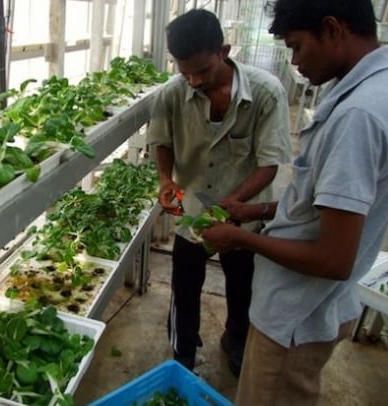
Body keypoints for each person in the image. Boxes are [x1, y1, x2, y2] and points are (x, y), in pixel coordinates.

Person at [200, 0, 388, 404]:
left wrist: (241, 239)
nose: (294, 61)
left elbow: (333, 258)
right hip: (310, 309)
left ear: (332, 29)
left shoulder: (358, 117)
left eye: (297, 46)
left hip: (295, 315)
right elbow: (323, 208)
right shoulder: (379, 95)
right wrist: (256, 211)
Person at [147, 9, 291, 375]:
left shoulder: (265, 93)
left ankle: (236, 339)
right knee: (184, 283)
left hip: (243, 214)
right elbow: (161, 142)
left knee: (242, 287)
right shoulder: (170, 94)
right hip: (191, 207)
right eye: (185, 72)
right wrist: (166, 180)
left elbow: (269, 163)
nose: (193, 81)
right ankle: (183, 347)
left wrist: (234, 205)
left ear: (224, 51)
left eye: (202, 71)